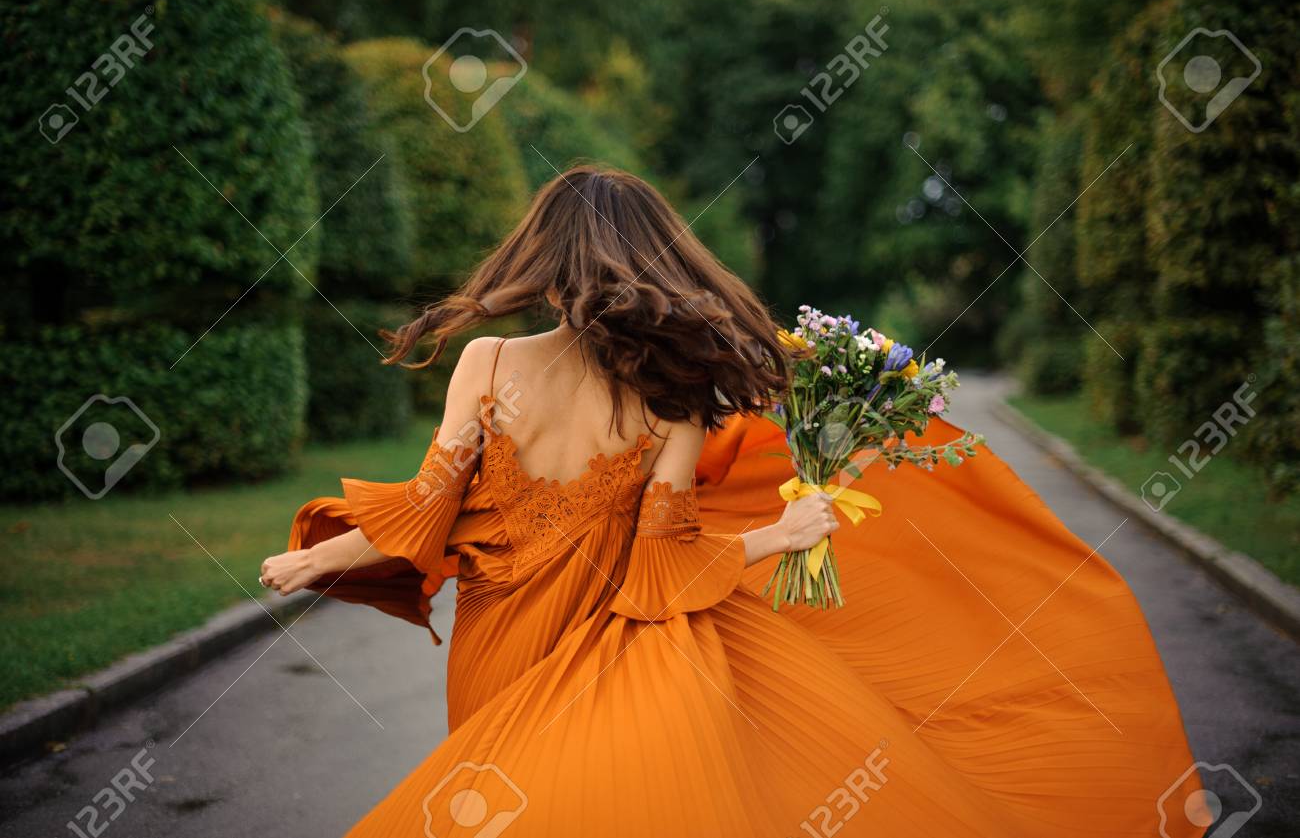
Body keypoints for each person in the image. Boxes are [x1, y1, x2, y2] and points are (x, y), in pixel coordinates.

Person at [261, 166, 1205, 837]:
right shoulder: (674, 397)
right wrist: (780, 532)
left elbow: (424, 509)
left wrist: (315, 558)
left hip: (496, 649)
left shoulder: (486, 361)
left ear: (546, 256)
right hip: (604, 657)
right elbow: (662, 562)